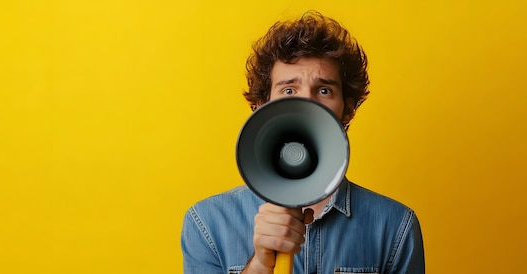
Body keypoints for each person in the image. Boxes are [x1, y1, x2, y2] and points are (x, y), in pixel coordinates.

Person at [181, 11, 425, 274]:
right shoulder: (207, 222)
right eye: (289, 90)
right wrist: (261, 265)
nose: (305, 104)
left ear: (348, 108)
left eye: (324, 90)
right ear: (262, 106)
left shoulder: (396, 226)